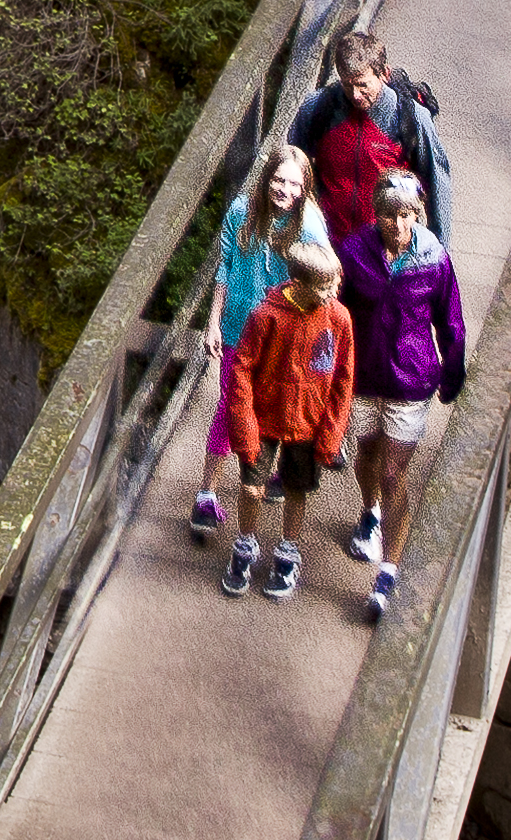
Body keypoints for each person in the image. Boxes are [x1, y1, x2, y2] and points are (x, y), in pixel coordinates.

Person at [343, 172, 469, 621]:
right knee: (366, 456)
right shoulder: (354, 252)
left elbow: (450, 321)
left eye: (407, 215)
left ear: (417, 214)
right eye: (389, 215)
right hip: (364, 376)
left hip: (410, 380)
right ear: (376, 214)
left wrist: (453, 374)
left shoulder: (434, 259)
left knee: (395, 472)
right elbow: (334, 310)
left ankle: (389, 571)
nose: (398, 225)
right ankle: (369, 512)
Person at [192, 146, 319, 541]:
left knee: (278, 405)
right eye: (278, 180)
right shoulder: (241, 212)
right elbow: (227, 267)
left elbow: (323, 280)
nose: (284, 189)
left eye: (293, 183)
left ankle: (273, 474)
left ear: (304, 188)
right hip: (237, 326)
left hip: (283, 332)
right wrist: (213, 322)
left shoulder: (310, 227)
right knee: (230, 406)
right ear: (266, 178)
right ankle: (206, 493)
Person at [217, 248, 354, 604]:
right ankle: (245, 544)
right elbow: (242, 371)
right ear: (299, 282)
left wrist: (332, 432)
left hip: (309, 422)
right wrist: (244, 429)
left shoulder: (339, 319)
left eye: (334, 282)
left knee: (297, 489)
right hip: (263, 418)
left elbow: (343, 378)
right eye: (324, 286)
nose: (332, 292)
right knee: (252, 489)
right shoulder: (265, 316)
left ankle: (287, 552)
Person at [285, 27, 449, 265]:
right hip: (327, 247)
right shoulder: (318, 108)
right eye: (347, 85)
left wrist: (439, 256)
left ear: (384, 73)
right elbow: (290, 166)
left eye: (363, 85)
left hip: (387, 253)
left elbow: (437, 183)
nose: (355, 95)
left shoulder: (411, 118)